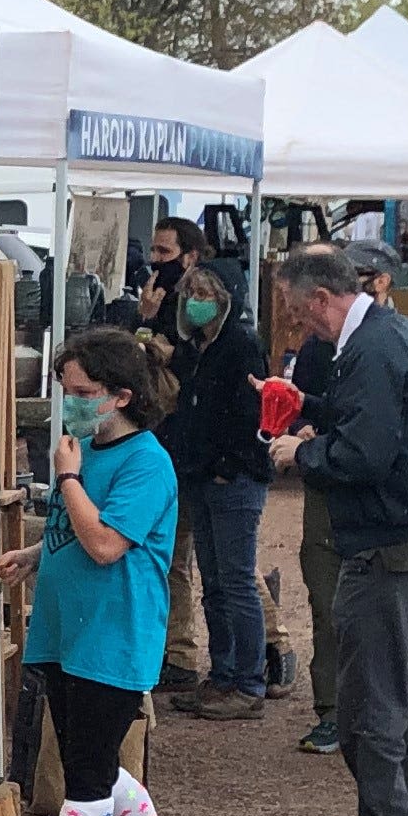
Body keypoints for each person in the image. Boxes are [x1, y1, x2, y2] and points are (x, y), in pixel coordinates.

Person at [0, 327, 207, 816]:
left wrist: (67, 481)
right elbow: (78, 531)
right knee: (97, 763)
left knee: (86, 775)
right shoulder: (86, 452)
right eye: (66, 390)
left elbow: (108, 544)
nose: (71, 403)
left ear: (120, 395)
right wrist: (34, 554)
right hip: (68, 630)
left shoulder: (145, 462)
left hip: (113, 637)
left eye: (81, 392)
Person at [267, 240, 408, 816]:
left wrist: (303, 453)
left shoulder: (371, 350)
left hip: (388, 544)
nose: (297, 324)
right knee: (406, 690)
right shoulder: (393, 335)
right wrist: (308, 408)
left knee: (370, 697)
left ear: (321, 297)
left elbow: (364, 455)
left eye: (297, 312)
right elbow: (383, 425)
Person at [286, 239, 399, 753]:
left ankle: (367, 717)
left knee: (367, 613)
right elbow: (323, 411)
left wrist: (313, 447)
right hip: (328, 494)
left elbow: (370, 443)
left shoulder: (387, 343)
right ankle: (333, 710)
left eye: (373, 275)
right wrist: (304, 416)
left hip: (365, 499)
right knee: (325, 600)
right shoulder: (321, 346)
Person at [156, 261, 274, 717]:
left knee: (237, 580)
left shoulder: (240, 344)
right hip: (202, 476)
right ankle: (223, 675)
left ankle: (248, 682)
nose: (195, 301)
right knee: (216, 584)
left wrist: (227, 465)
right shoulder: (197, 348)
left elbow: (249, 413)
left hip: (232, 478)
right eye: (190, 293)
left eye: (204, 294)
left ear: (225, 300)